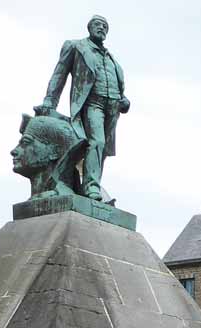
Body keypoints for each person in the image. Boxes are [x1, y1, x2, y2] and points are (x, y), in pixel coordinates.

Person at [36, 15, 130, 202]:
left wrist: (123, 99)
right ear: (89, 27)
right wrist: (49, 101)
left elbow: (118, 86)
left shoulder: (112, 59)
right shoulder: (76, 46)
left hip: (113, 107)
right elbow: (59, 74)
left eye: (105, 26)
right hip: (92, 103)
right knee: (97, 142)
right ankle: (91, 187)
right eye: (98, 24)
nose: (101, 28)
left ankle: (89, 184)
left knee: (102, 149)